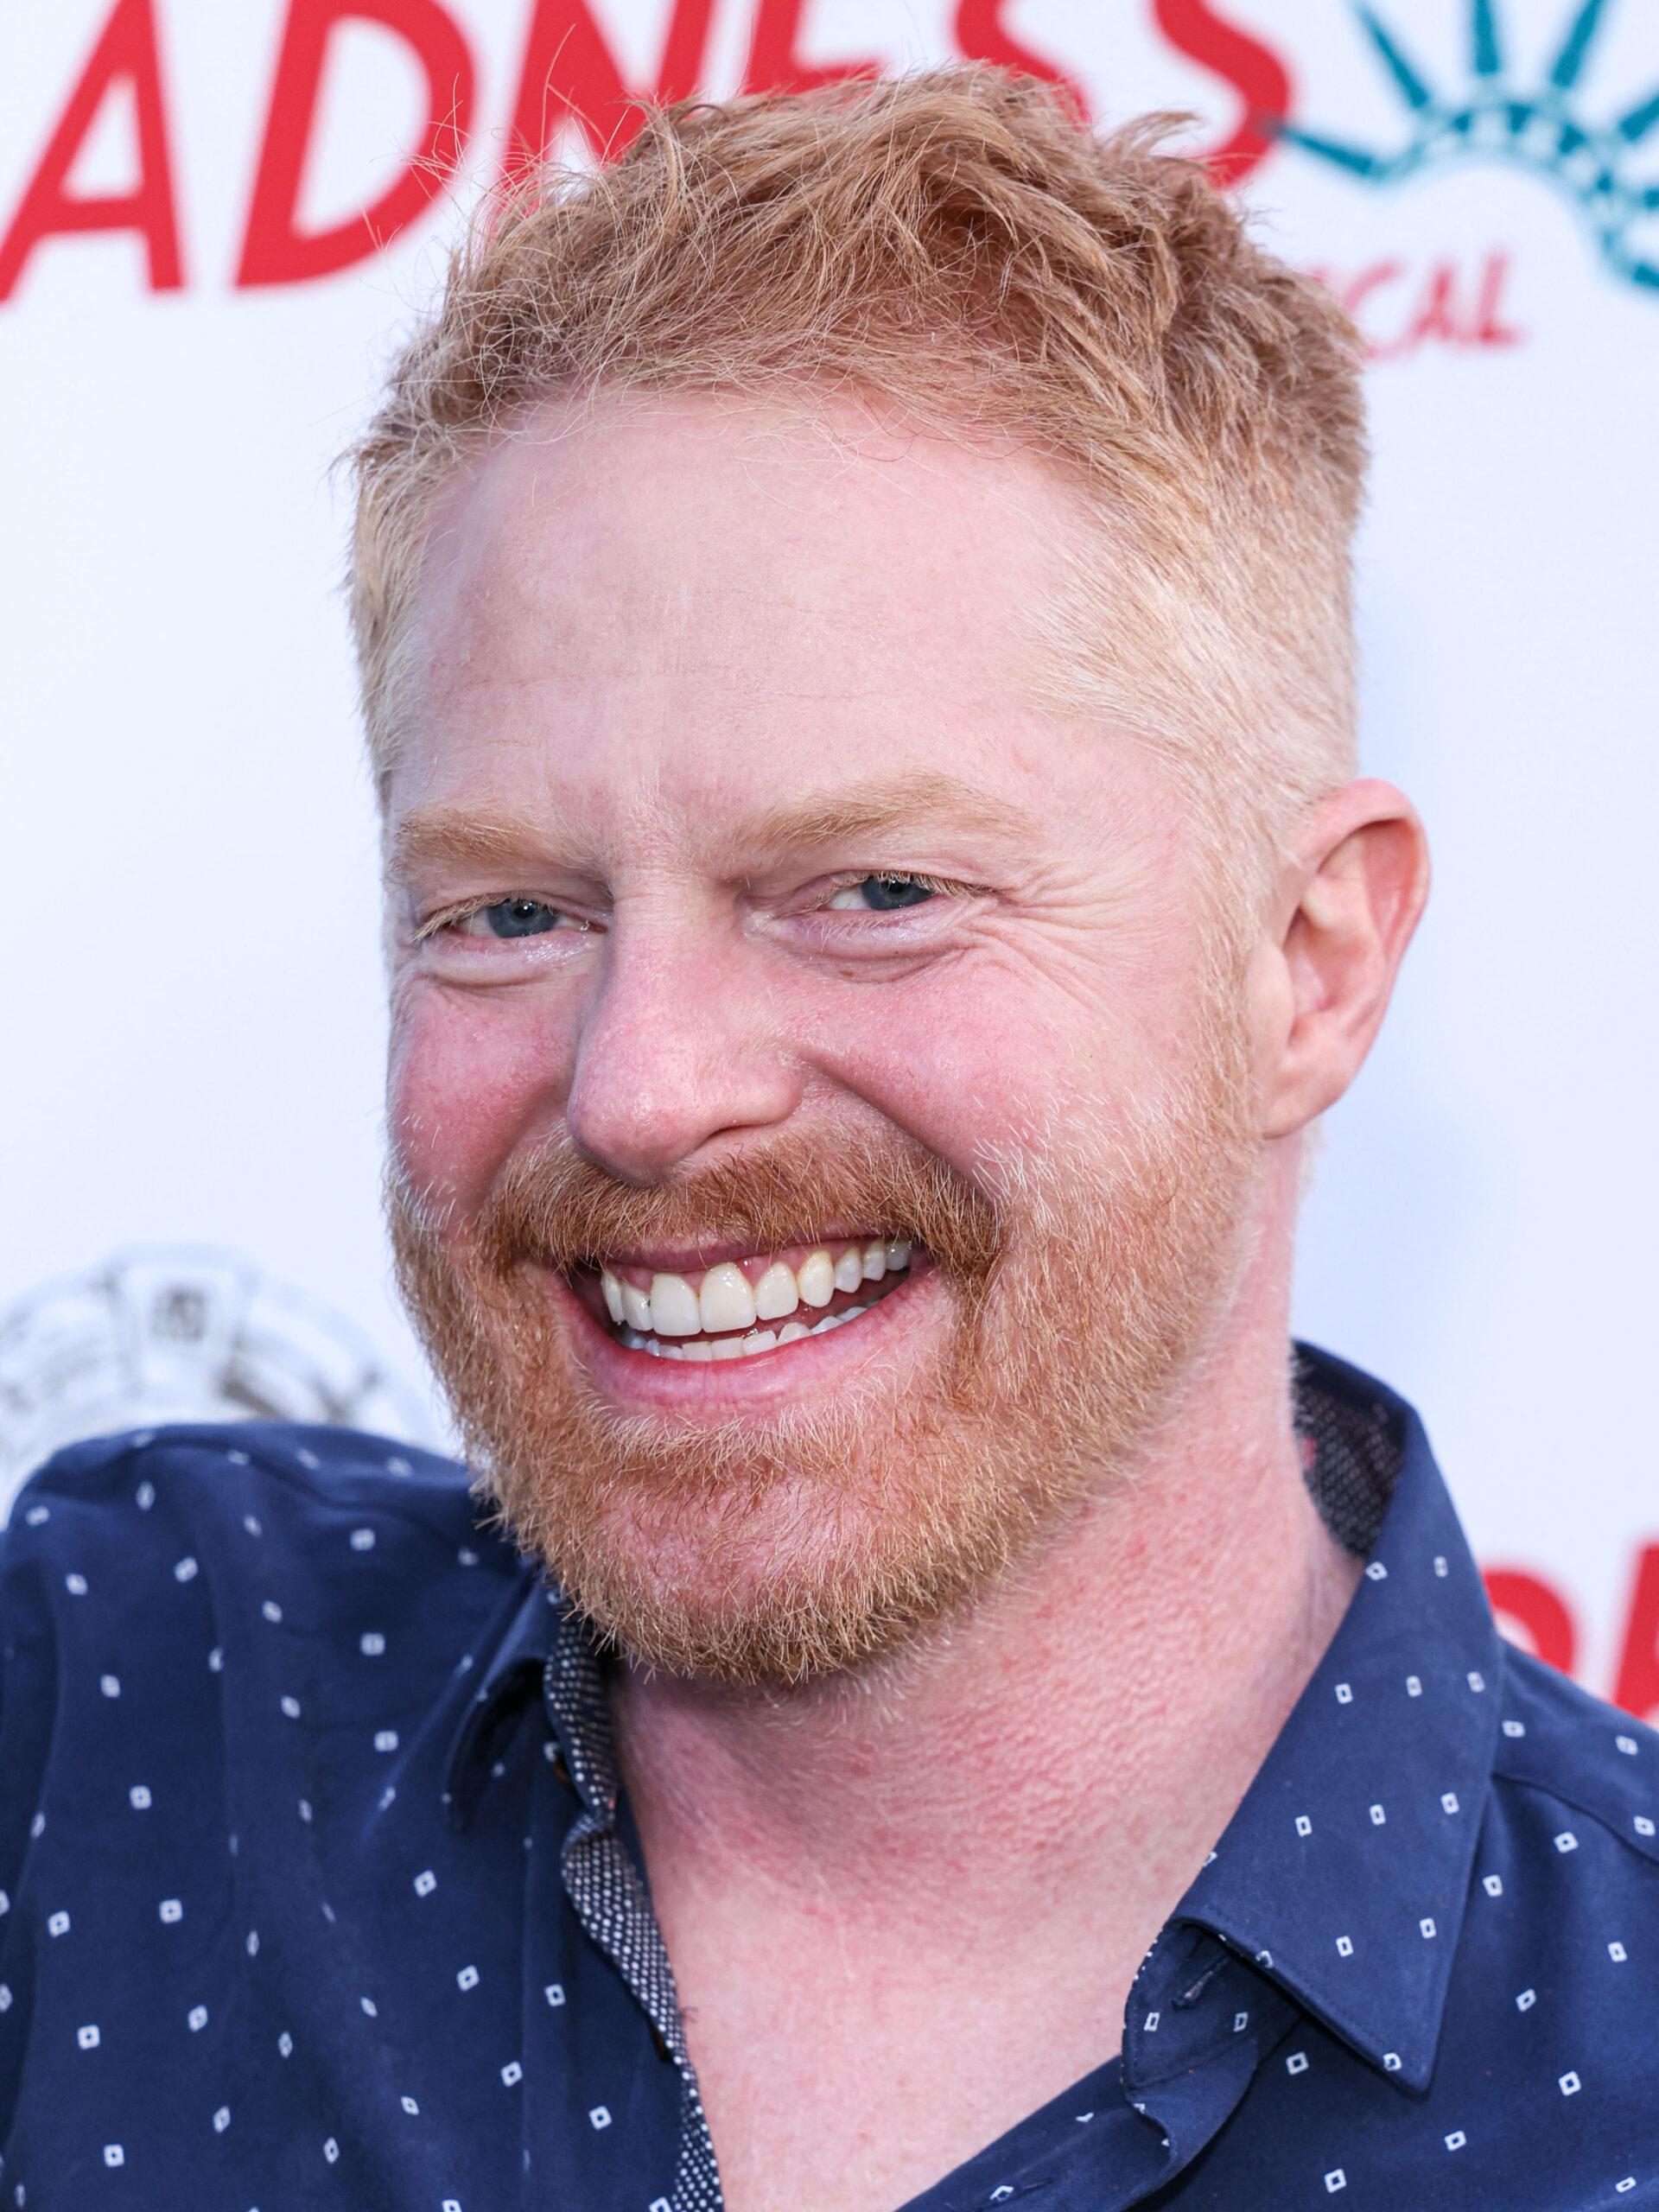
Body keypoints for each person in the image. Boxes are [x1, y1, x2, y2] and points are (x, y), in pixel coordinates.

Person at [2, 66, 1654, 2212]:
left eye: (875, 890)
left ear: (1308, 960)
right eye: (511, 913)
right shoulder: (113, 1707)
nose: (643, 1086)